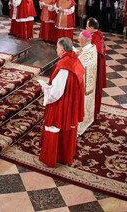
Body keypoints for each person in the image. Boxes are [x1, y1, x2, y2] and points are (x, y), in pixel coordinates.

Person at [37, 37, 85, 168]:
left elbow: (56, 92)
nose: (56, 50)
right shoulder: (74, 60)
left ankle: (51, 157)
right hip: (72, 101)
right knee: (67, 126)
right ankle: (65, 155)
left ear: (63, 49)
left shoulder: (63, 66)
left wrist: (45, 89)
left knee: (54, 124)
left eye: (57, 48)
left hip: (62, 103)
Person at [76, 30, 98, 136]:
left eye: (79, 40)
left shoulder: (84, 57)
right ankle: (88, 121)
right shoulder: (93, 48)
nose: (78, 41)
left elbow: (77, 66)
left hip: (83, 86)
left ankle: (79, 128)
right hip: (91, 84)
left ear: (84, 41)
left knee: (83, 104)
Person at [86, 17, 106, 121]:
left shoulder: (96, 38)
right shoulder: (96, 35)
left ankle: (93, 111)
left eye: (87, 26)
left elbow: (95, 56)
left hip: (96, 69)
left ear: (93, 28)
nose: (86, 28)